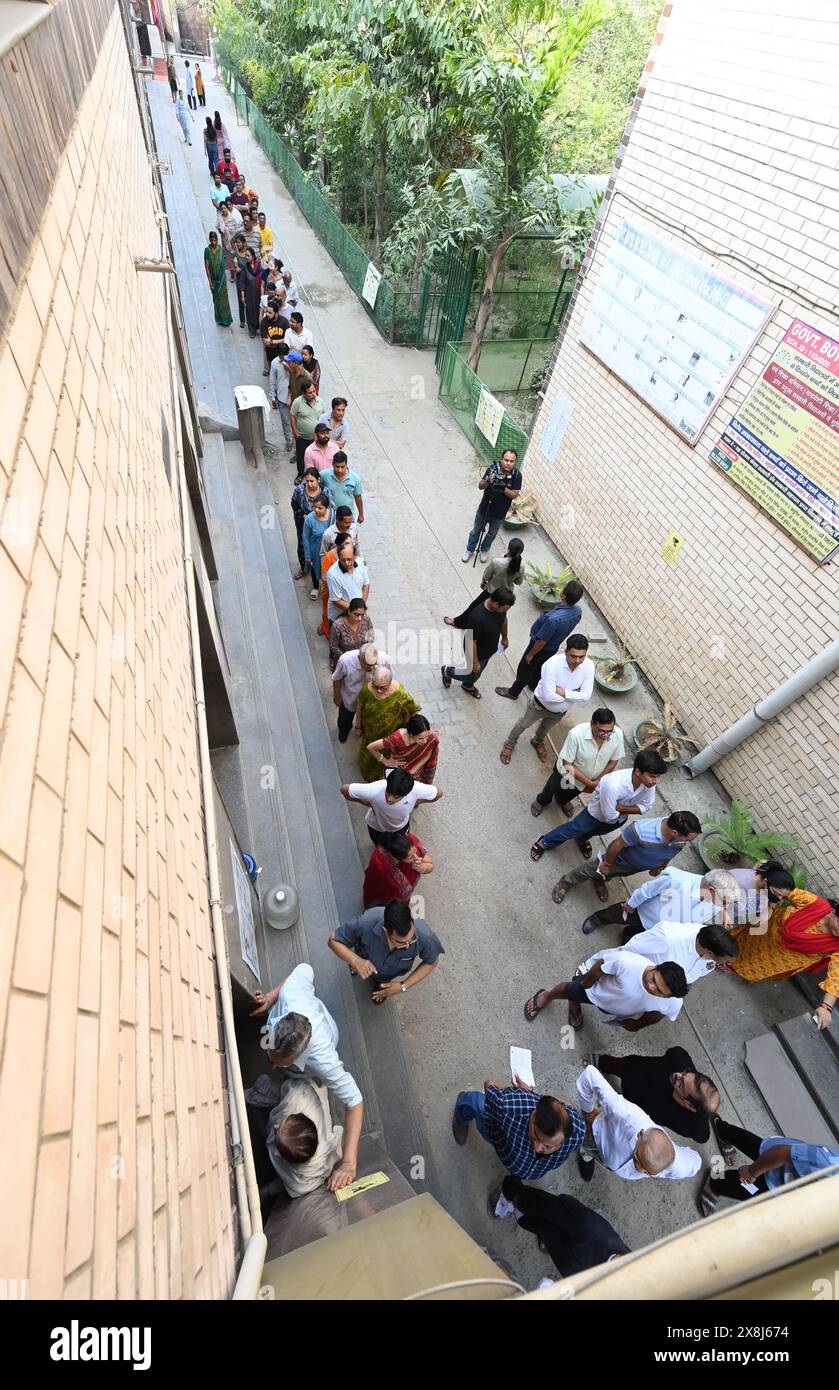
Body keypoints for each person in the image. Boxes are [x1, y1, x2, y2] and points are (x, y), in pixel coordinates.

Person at [249, 963, 363, 1190]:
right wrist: (272, 997)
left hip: (325, 1033)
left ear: (296, 1059)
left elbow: (355, 1102)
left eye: (277, 1063)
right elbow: (305, 967)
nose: (271, 1066)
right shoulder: (290, 993)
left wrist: (349, 1163)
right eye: (269, 1055)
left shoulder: (324, 1061)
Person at [529, 746, 665, 868]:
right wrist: (630, 808)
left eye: (657, 777)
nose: (656, 781)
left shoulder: (648, 784)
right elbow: (609, 815)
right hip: (595, 815)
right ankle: (545, 842)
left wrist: (622, 809)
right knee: (572, 829)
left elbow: (647, 806)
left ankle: (581, 840)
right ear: (638, 772)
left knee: (594, 833)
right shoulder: (613, 784)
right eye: (652, 776)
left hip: (618, 819)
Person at [576, 1063, 702, 1183]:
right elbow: (589, 1075)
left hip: (608, 1159)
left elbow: (696, 1163)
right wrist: (588, 1112)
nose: (639, 1170)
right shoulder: (623, 1113)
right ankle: (586, 1154)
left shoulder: (678, 1166)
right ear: (640, 1134)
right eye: (637, 1158)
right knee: (586, 1143)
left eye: (647, 1172)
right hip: (596, 1133)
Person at [731, 890, 839, 1030]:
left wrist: (826, 1007)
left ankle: (732, 966)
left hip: (777, 961)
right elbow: (781, 890)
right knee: (738, 945)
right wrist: (770, 907)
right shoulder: (814, 903)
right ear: (834, 912)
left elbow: (836, 977)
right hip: (763, 935)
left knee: (750, 966)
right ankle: (726, 956)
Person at [549, 810, 703, 907]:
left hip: (635, 867)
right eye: (688, 839)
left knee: (613, 875)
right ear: (675, 832)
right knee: (594, 869)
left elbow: (672, 852)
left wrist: (660, 866)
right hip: (620, 860)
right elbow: (617, 844)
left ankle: (600, 880)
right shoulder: (641, 830)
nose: (686, 843)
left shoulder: (680, 840)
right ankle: (567, 881)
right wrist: (608, 863)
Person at [452, 1079, 585, 1181]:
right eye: (536, 1136)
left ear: (565, 1139)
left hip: (514, 1161)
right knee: (478, 1102)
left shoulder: (578, 1133)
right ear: (534, 1115)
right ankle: (462, 1113)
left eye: (548, 1146)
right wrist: (519, 1093)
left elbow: (568, 1105)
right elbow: (489, 1084)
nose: (537, 1148)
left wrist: (529, 1094)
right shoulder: (508, 1106)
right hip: (498, 1132)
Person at [523, 952, 688, 1033]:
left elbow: (660, 1013)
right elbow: (600, 966)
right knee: (569, 990)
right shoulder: (626, 962)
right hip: (595, 991)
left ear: (669, 996)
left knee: (575, 997)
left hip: (611, 1008)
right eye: (653, 980)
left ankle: (574, 1003)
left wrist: (638, 1024)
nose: (652, 988)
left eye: (659, 992)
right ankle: (546, 996)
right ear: (656, 967)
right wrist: (586, 983)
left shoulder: (673, 1002)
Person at [494, 1179, 629, 1276]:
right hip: (559, 1223)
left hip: (567, 1255)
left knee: (552, 1234)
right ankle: (511, 1200)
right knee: (539, 1217)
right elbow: (549, 1206)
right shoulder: (591, 1229)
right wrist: (519, 1197)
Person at [698, 1125, 839, 1218]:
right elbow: (783, 1153)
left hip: (784, 1175)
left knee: (750, 1144)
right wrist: (752, 1172)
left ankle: (723, 1130)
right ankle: (714, 1182)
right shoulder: (827, 1166)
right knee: (747, 1186)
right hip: (777, 1167)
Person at [588, 1046, 720, 1144]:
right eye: (686, 1073)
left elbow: (703, 1136)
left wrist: (703, 1112)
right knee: (615, 1065)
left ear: (691, 1106)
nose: (677, 1075)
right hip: (633, 1069)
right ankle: (601, 1062)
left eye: (681, 1084)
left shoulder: (693, 1125)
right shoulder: (680, 1060)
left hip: (635, 1107)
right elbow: (674, 1051)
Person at [500, 634, 594, 764]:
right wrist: (574, 695)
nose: (577, 661)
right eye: (573, 656)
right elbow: (549, 695)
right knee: (523, 724)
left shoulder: (589, 666)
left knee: (545, 729)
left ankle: (537, 742)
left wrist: (564, 693)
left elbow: (587, 695)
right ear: (565, 651)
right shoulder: (552, 664)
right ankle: (510, 743)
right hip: (539, 705)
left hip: (560, 712)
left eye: (581, 657)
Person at [248, 1074, 344, 1199]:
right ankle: (256, 1111)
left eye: (277, 1130)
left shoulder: (306, 1175)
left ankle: (255, 1111)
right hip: (299, 1094)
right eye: (283, 1123)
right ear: (300, 1116)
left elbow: (290, 1183)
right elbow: (296, 1087)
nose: (275, 1127)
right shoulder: (300, 1099)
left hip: (284, 1169)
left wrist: (267, 1191)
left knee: (262, 1089)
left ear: (288, 1160)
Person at [329, 899, 444, 1003]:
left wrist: (402, 986)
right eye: (400, 942)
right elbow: (333, 940)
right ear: (385, 931)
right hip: (364, 957)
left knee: (383, 985)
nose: (408, 946)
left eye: (411, 937)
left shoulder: (424, 935)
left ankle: (381, 987)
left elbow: (432, 962)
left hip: (391, 973)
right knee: (357, 965)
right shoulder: (366, 922)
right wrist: (355, 961)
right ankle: (357, 968)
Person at [582, 865, 740, 938]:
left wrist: (724, 913)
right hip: (644, 913)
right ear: (711, 890)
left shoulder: (715, 902)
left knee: (637, 933)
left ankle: (630, 934)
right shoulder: (675, 879)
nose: (723, 906)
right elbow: (647, 890)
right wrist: (631, 904)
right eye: (724, 902)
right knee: (617, 914)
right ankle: (598, 918)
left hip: (662, 928)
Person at [496, 580, 584, 700]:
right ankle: (533, 685)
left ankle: (513, 692)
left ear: (563, 595)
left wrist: (531, 655)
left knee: (525, 670)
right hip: (553, 647)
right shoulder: (578, 611)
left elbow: (542, 641)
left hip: (539, 647)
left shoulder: (552, 619)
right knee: (539, 668)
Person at [531, 708, 623, 823]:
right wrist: (590, 784)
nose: (606, 735)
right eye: (601, 731)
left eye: (610, 731)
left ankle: (562, 800)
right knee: (552, 788)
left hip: (591, 779)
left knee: (571, 792)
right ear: (592, 724)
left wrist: (597, 781)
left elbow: (613, 761)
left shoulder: (617, 734)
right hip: (567, 774)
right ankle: (541, 801)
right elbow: (567, 765)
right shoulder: (576, 734)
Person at [616, 920, 740, 987]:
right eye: (726, 960)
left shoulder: (711, 955)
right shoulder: (667, 936)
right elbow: (631, 948)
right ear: (710, 952)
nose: (728, 964)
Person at [441, 589, 516, 700]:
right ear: (496, 604)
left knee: (477, 672)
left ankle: (467, 685)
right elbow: (471, 641)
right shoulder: (477, 618)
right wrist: (475, 662)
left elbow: (504, 619)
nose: (506, 611)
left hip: (488, 650)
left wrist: (505, 637)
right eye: (505, 609)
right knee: (471, 674)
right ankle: (448, 671)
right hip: (476, 652)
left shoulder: (500, 610)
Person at [341, 767, 442, 844]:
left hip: (400, 829)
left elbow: (438, 793)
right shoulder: (375, 789)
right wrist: (369, 804)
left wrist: (416, 802)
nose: (389, 799)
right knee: (379, 847)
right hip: (376, 828)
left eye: (396, 797)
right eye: (388, 793)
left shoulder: (416, 789)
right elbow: (345, 790)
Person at [355, 665, 421, 780]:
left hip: (388, 737)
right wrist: (358, 726)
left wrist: (407, 729)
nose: (379, 690)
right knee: (368, 754)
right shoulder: (366, 690)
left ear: (390, 682)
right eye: (376, 686)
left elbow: (411, 711)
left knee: (385, 759)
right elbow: (359, 707)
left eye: (383, 687)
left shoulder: (401, 694)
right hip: (369, 733)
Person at [461, 449, 522, 562]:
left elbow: (514, 494)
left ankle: (484, 550)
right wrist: (488, 480)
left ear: (515, 462)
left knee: (491, 534)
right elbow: (481, 486)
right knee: (476, 531)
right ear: (502, 459)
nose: (508, 463)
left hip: (499, 514)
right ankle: (470, 549)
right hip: (484, 509)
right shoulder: (492, 469)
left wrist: (503, 488)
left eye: (511, 461)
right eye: (506, 460)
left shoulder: (517, 475)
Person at [362, 830, 434, 909]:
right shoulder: (380, 865)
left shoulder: (409, 842)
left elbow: (430, 865)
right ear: (397, 858)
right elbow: (377, 885)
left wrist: (422, 868)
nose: (417, 857)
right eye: (410, 857)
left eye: (415, 851)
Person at [332, 642, 388, 742]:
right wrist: (337, 697)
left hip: (370, 701)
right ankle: (343, 732)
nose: (371, 668)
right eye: (367, 665)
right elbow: (337, 678)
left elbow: (388, 678)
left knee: (365, 719)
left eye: (373, 664)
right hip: (350, 699)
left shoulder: (384, 659)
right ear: (359, 658)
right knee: (344, 720)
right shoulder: (345, 661)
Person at [365, 714, 439, 785]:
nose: (425, 741)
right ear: (411, 734)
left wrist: (412, 771)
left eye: (426, 736)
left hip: (416, 771)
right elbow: (371, 747)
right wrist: (385, 761)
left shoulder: (430, 736)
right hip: (399, 770)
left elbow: (428, 754)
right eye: (420, 738)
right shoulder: (396, 739)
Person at [291, 468, 327, 581]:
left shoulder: (325, 492)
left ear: (318, 480)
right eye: (307, 481)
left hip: (321, 526)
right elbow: (294, 503)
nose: (309, 484)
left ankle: (320, 570)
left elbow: (330, 507)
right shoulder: (300, 491)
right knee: (303, 544)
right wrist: (302, 515)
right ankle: (304, 568)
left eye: (312, 481)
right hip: (303, 524)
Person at [325, 537, 370, 626]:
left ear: (355, 555)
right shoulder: (332, 574)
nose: (346, 563)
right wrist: (357, 610)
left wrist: (361, 606)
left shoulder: (360, 563)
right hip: (339, 617)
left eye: (349, 559)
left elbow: (366, 585)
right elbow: (336, 601)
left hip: (355, 613)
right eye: (343, 560)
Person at [291, 380, 325, 481]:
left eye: (314, 391)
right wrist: (295, 433)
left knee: (315, 457)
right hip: (302, 437)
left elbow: (324, 417)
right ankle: (301, 474)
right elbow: (292, 416)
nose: (313, 394)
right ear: (304, 393)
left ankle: (313, 476)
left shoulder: (320, 402)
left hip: (316, 438)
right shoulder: (297, 402)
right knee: (301, 457)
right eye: (310, 392)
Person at [329, 593, 370, 670]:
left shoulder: (366, 619)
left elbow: (370, 634)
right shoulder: (338, 626)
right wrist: (349, 658)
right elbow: (333, 646)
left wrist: (366, 650)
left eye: (362, 614)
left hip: (363, 659)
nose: (359, 618)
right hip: (345, 662)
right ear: (349, 612)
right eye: (356, 614)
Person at [321, 452, 364, 522]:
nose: (339, 470)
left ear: (346, 465)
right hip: (329, 518)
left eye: (342, 467)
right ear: (332, 464)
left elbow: (358, 497)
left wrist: (361, 514)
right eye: (337, 467)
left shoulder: (355, 478)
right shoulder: (324, 475)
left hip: (347, 518)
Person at [302, 496, 332, 597]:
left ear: (326, 507)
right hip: (316, 549)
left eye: (320, 508)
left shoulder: (332, 517)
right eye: (315, 507)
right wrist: (307, 554)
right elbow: (305, 536)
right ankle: (315, 587)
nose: (316, 510)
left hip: (330, 549)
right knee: (315, 568)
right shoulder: (310, 519)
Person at [203, 231, 232, 328]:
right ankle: (219, 318)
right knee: (216, 299)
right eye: (212, 240)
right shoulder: (207, 250)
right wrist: (210, 282)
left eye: (215, 240)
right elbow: (207, 267)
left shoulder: (221, 249)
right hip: (214, 279)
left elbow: (223, 263)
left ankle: (226, 320)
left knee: (224, 298)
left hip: (222, 279)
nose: (214, 242)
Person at [269, 342, 294, 450]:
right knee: (285, 421)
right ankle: (289, 441)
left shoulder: (293, 362)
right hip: (282, 397)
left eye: (285, 356)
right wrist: (273, 397)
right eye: (281, 356)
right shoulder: (275, 363)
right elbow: (272, 380)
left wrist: (290, 369)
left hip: (294, 397)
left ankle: (297, 439)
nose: (283, 358)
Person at [260, 298, 288, 376]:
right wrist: (280, 341)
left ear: (276, 313)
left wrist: (272, 342)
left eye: (270, 312)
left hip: (282, 356)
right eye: (266, 312)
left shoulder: (284, 322)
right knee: (273, 376)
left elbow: (288, 340)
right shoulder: (264, 322)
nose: (267, 314)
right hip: (270, 355)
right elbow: (266, 343)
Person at [242, 246, 263, 336]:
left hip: (259, 293)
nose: (247, 257)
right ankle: (252, 330)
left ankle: (259, 327)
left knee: (259, 310)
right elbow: (242, 283)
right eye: (245, 256)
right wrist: (242, 296)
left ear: (253, 256)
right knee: (250, 311)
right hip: (249, 294)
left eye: (248, 256)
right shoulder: (245, 268)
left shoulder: (259, 266)